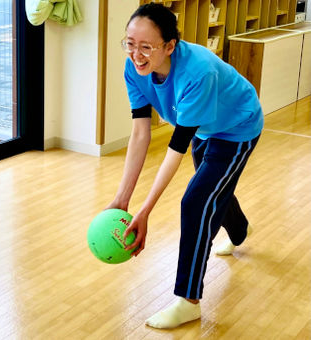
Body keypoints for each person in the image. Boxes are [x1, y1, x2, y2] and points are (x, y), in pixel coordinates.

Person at [105, 3, 264, 329]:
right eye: (130, 43)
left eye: (146, 46)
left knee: (195, 201)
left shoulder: (197, 71)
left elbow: (174, 150)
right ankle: (239, 229)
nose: (136, 54)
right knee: (212, 188)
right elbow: (140, 133)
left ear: (169, 46)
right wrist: (122, 200)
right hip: (204, 125)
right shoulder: (134, 69)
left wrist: (145, 210)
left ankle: (188, 301)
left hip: (236, 126)